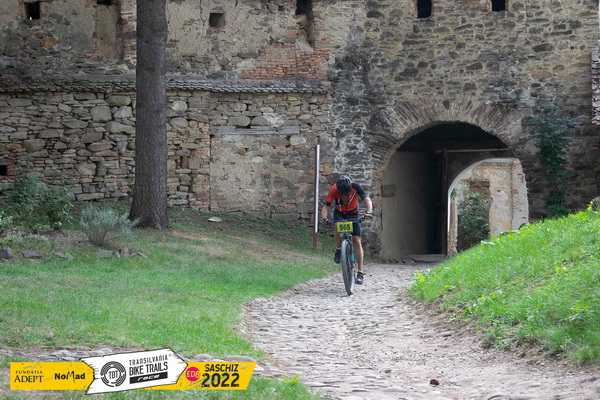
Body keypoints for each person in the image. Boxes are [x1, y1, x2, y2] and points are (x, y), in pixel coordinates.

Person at [321, 175, 373, 284]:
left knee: (357, 241)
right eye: (342, 194)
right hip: (339, 213)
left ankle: (360, 272)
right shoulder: (334, 189)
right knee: (337, 226)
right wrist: (324, 218)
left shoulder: (356, 186)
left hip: (353, 213)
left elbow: (367, 199)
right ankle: (338, 249)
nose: (344, 197)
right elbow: (326, 206)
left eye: (346, 193)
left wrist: (369, 212)